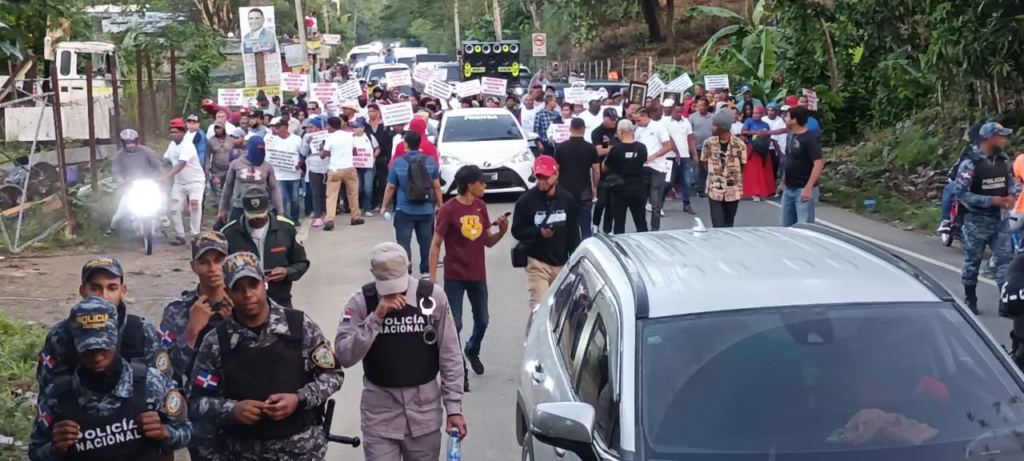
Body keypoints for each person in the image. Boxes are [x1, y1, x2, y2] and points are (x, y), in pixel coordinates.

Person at [188, 252, 343, 460]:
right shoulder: (216, 342)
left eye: (253, 285)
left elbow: (333, 375)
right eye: (238, 288)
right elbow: (196, 401)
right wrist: (232, 409)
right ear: (227, 292)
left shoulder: (299, 326)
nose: (248, 294)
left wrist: (298, 399)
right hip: (243, 453)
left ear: (264, 283)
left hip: (303, 451)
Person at [334, 242, 467, 459]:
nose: (395, 292)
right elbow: (343, 355)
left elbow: (450, 355)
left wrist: (454, 408)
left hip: (424, 414)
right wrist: (375, 318)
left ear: (410, 267)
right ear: (372, 274)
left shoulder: (433, 298)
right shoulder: (361, 302)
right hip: (380, 416)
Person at [29, 297, 192, 461]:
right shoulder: (58, 394)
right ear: (76, 345)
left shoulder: (152, 383)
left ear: (116, 339)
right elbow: (35, 452)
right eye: (89, 350)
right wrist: (55, 448)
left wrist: (164, 433)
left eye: (103, 347)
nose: (97, 357)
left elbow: (187, 431)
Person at [35, 257, 174, 427]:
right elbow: (46, 389)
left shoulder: (139, 330)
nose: (104, 296)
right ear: (82, 290)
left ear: (123, 290)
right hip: (80, 432)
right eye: (95, 288)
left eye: (112, 288)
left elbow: (165, 387)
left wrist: (165, 437)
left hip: (137, 433)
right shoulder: (61, 334)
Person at [428, 166, 509, 390]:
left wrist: (502, 231)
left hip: (477, 275)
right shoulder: (447, 210)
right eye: (481, 182)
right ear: (470, 185)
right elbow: (436, 245)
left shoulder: (481, 207)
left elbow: (487, 241)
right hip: (454, 275)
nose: (485, 186)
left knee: (482, 320)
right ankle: (459, 370)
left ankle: (472, 349)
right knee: (456, 324)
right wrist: (432, 278)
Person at [158, 232, 231, 461]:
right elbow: (165, 372)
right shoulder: (177, 311)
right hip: (201, 416)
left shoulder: (246, 301)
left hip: (243, 409)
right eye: (204, 262)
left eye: (219, 260)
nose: (213, 268)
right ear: (193, 266)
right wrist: (191, 331)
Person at [956, 122, 1018, 315]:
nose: (1004, 140)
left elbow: (1011, 183)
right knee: (972, 262)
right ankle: (970, 298)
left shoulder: (1003, 160)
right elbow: (962, 194)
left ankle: (1004, 302)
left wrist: (1010, 196)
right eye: (1001, 136)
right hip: (976, 221)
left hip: (999, 220)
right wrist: (990, 200)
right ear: (989, 138)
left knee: (1004, 262)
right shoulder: (970, 163)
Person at [222, 188, 309, 308]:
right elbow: (220, 270)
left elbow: (301, 263)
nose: (257, 220)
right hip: (244, 303)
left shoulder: (286, 228)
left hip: (280, 300)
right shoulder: (229, 233)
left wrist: (287, 272)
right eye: (252, 217)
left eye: (260, 216)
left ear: (269, 207)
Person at [511, 156, 579, 309]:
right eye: (539, 177)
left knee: (562, 311)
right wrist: (538, 233)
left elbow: (573, 233)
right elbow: (517, 230)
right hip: (537, 263)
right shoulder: (526, 201)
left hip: (562, 264)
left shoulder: (567, 199)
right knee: (540, 309)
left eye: (546, 177)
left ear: (556, 175)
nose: (542, 182)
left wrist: (575, 261)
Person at [381, 130, 444, 277]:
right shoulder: (430, 161)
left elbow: (391, 186)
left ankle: (406, 269)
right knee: (426, 241)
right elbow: (436, 186)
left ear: (405, 144)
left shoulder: (398, 162)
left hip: (405, 209)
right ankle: (425, 271)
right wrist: (441, 205)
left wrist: (384, 206)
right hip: (426, 209)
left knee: (404, 241)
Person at [107, 129, 164, 236]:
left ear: (137, 141)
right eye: (127, 143)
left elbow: (157, 165)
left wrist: (159, 177)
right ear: (123, 143)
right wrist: (121, 181)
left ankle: (162, 220)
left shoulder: (146, 151)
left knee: (160, 201)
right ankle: (112, 227)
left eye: (132, 142)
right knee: (119, 215)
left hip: (148, 185)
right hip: (130, 187)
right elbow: (116, 171)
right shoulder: (119, 156)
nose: (130, 145)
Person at [218, 135, 283, 227]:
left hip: (261, 209)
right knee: (234, 235)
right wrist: (222, 209)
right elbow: (228, 186)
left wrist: (280, 211)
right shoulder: (236, 164)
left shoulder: (267, 167)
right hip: (239, 206)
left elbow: (274, 189)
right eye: (258, 149)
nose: (260, 152)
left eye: (262, 149)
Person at [554, 118, 601, 240]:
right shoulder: (590, 148)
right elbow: (596, 170)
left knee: (564, 223)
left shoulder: (561, 147)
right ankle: (586, 247)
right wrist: (595, 187)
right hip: (584, 191)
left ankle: (566, 248)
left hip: (564, 190)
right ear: (584, 130)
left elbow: (555, 169)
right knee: (585, 224)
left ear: (570, 129)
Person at [778, 106, 825, 227]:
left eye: (787, 116)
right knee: (786, 227)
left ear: (794, 120)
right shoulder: (790, 135)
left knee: (804, 228)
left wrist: (808, 187)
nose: (784, 118)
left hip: (803, 188)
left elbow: (818, 163)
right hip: (789, 188)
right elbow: (789, 160)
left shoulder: (810, 138)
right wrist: (783, 180)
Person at [164, 118, 206, 246]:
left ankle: (195, 235)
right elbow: (164, 160)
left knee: (194, 205)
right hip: (180, 182)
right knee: (174, 208)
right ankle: (180, 235)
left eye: (176, 132)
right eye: (171, 132)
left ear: (182, 132)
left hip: (195, 182)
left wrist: (167, 176)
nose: (173, 135)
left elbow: (181, 164)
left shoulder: (188, 145)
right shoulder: (172, 145)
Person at [701, 109, 746, 228]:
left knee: (729, 223)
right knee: (717, 224)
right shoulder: (708, 143)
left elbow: (742, 164)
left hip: (733, 190)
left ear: (723, 127)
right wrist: (714, 175)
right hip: (715, 189)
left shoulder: (739, 144)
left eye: (715, 125)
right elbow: (704, 161)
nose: (712, 127)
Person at [604, 119, 649, 234]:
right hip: (638, 187)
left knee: (619, 222)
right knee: (640, 220)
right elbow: (643, 162)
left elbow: (605, 168)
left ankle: (620, 248)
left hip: (620, 188)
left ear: (620, 131)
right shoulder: (642, 148)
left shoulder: (616, 149)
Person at [938, 123, 985, 232]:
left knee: (948, 189)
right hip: (991, 187)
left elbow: (959, 166)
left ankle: (945, 221)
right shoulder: (997, 151)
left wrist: (951, 176)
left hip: (971, 184)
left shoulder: (970, 150)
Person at [633, 108, 674, 231]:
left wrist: (654, 156)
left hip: (657, 167)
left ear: (646, 116)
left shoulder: (658, 127)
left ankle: (655, 228)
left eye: (639, 120)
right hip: (642, 168)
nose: (637, 123)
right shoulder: (638, 129)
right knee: (641, 200)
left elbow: (668, 146)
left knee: (655, 201)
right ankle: (642, 228)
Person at [321, 116, 365, 230]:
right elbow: (355, 152)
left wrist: (324, 149)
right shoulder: (350, 135)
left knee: (331, 196)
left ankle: (330, 219)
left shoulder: (329, 137)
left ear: (330, 126)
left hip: (335, 169)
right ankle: (355, 217)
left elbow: (323, 155)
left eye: (327, 125)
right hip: (349, 168)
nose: (326, 127)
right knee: (353, 194)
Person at [266, 117, 305, 223]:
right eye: (274, 128)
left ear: (285, 127)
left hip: (294, 174)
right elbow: (269, 155)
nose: (275, 130)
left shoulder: (297, 139)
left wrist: (299, 163)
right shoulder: (272, 140)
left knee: (295, 199)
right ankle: (283, 219)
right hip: (279, 175)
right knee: (281, 198)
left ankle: (295, 218)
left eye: (278, 128)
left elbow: (302, 154)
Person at [663, 104, 697, 215]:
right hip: (669, 155)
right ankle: (659, 204)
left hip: (685, 155)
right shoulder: (665, 121)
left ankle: (687, 204)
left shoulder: (686, 122)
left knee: (686, 182)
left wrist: (695, 154)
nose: (679, 114)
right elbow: (667, 138)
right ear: (672, 110)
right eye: (676, 112)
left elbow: (690, 139)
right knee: (668, 181)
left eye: (681, 112)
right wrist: (676, 151)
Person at [590, 108, 620, 234]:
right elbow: (599, 151)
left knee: (612, 202)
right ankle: (595, 223)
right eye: (611, 119)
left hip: (616, 168)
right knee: (601, 201)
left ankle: (608, 228)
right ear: (605, 118)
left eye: (615, 120)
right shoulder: (597, 132)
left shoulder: (618, 129)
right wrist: (614, 149)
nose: (613, 122)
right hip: (602, 167)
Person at [740, 105, 775, 200]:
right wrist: (756, 133)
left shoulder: (765, 124)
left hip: (763, 150)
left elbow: (768, 136)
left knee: (764, 171)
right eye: (754, 113)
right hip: (752, 149)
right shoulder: (749, 121)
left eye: (757, 113)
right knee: (753, 172)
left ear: (762, 114)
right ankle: (754, 192)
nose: (755, 115)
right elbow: (744, 132)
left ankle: (763, 191)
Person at [302, 118, 329, 227]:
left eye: (311, 127)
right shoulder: (305, 137)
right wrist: (307, 144)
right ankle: (318, 216)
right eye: (307, 127)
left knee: (327, 192)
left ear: (318, 128)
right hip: (313, 167)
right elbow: (303, 153)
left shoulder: (327, 136)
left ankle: (328, 214)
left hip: (327, 166)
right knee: (316, 193)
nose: (308, 129)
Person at [351, 119, 380, 217]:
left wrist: (374, 157)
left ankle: (366, 208)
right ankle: (357, 208)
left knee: (368, 188)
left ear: (362, 128)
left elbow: (377, 148)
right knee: (358, 188)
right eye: (353, 127)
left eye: (356, 127)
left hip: (368, 166)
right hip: (356, 167)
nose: (354, 129)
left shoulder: (369, 137)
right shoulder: (350, 138)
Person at [689, 98, 714, 198]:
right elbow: (689, 133)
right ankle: (699, 188)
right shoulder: (692, 117)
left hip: (710, 146)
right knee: (699, 168)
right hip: (697, 146)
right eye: (698, 105)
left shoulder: (712, 117)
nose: (700, 108)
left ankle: (708, 187)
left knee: (708, 167)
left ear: (707, 106)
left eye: (702, 105)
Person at [206, 121, 233, 202]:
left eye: (219, 128)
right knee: (218, 191)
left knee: (229, 190)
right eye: (216, 128)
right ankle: (220, 209)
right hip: (216, 171)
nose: (217, 130)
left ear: (224, 128)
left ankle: (228, 208)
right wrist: (206, 170)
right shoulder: (211, 141)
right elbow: (207, 156)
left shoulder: (231, 139)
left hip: (229, 169)